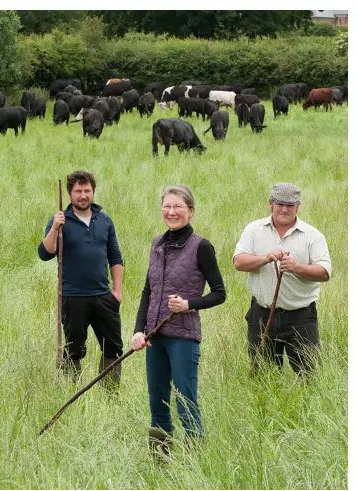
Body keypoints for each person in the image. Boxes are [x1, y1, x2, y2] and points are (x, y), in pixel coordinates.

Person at [130, 185, 226, 456]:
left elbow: (220, 294)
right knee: (157, 402)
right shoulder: (156, 244)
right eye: (167, 206)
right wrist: (139, 331)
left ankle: (197, 461)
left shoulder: (201, 247)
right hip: (154, 338)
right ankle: (160, 462)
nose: (171, 212)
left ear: (190, 211)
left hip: (184, 337)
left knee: (185, 399)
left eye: (178, 207)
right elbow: (148, 291)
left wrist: (188, 305)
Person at [233, 182, 331, 374]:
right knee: (264, 376)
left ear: (298, 207)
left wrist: (297, 267)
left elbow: (325, 272)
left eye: (290, 205)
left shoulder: (313, 235)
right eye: (280, 204)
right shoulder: (253, 230)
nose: (284, 209)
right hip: (261, 314)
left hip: (302, 317)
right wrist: (265, 258)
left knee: (307, 376)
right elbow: (239, 262)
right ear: (271, 204)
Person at [38, 170, 124, 386]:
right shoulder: (60, 220)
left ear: (93, 192)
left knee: (113, 347)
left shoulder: (104, 220)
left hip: (103, 296)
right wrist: (56, 227)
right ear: (70, 194)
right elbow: (45, 253)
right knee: (74, 348)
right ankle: (72, 393)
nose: (83, 195)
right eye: (78, 191)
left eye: (87, 191)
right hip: (72, 296)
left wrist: (117, 292)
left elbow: (115, 257)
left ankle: (110, 396)